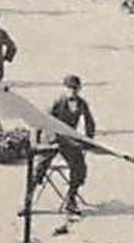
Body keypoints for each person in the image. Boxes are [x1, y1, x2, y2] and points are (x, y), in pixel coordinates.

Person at [33, 75, 97, 215]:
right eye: (70, 88)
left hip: (68, 140)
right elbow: (41, 120)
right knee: (39, 168)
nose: (72, 91)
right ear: (64, 88)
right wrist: (37, 142)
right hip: (51, 139)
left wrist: (88, 140)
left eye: (75, 88)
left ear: (79, 89)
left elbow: (90, 123)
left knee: (79, 167)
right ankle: (27, 201)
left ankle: (71, 199)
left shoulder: (81, 104)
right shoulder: (57, 102)